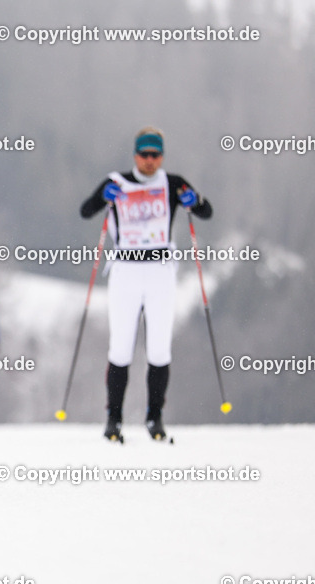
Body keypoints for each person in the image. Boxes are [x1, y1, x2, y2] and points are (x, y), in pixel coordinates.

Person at [80, 127, 213, 442]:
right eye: (144, 155)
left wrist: (195, 201)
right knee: (121, 347)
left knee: (159, 348)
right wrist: (103, 197)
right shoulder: (117, 181)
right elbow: (86, 210)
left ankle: (155, 418)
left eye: (155, 155)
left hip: (160, 271)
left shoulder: (173, 183)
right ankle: (114, 419)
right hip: (126, 269)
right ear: (135, 155)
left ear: (162, 157)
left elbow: (206, 212)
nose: (150, 161)